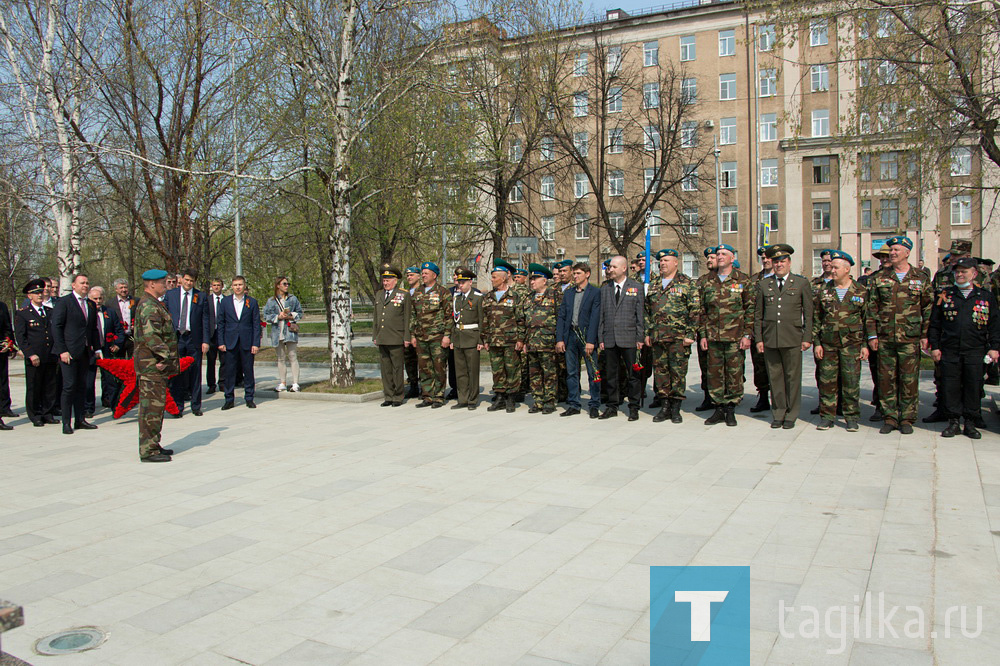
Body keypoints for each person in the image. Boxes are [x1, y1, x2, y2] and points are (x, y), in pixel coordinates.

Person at [929, 257, 1000, 439]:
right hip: (950, 349)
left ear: (974, 274)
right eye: (957, 271)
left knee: (973, 386)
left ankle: (970, 421)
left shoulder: (985, 296)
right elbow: (935, 323)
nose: (960, 275)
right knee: (950, 386)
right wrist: (935, 346)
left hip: (975, 349)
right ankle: (953, 422)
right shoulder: (945, 295)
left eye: (964, 271)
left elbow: (994, 325)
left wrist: (994, 347)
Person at [868, 236, 932, 434]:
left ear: (907, 252)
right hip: (885, 337)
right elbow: (871, 308)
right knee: (886, 379)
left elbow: (928, 308)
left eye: (896, 250)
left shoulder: (920, 278)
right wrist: (872, 335)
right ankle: (890, 417)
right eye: (891, 250)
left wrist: (925, 335)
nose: (892, 253)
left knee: (909, 379)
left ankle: (907, 418)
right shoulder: (879, 278)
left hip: (910, 338)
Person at [924, 239, 989, 424]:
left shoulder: (982, 276)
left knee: (973, 380)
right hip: (948, 335)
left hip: (974, 337)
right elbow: (934, 304)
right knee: (943, 377)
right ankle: (945, 410)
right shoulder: (943, 274)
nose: (952, 259)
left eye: (957, 255)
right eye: (951, 255)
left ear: (967, 256)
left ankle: (973, 415)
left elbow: (987, 306)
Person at [753, 244, 813, 429]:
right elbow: (758, 315)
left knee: (792, 378)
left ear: (789, 262)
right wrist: (759, 339)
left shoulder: (801, 283)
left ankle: (791, 413)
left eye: (782, 261)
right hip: (771, 338)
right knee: (775, 377)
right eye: (776, 261)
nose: (779, 265)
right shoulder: (764, 284)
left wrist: (807, 337)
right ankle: (778, 412)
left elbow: (809, 313)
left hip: (792, 337)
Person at [812, 251, 870, 431]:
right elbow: (816, 318)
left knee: (851, 382)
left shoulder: (860, 291)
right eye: (831, 266)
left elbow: (868, 319)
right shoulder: (824, 290)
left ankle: (851, 417)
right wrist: (817, 343)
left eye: (836, 267)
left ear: (847, 269)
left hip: (851, 345)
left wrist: (865, 345)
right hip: (828, 344)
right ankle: (827, 416)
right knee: (827, 382)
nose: (832, 270)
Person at [699, 245, 753, 426]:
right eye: (718, 254)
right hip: (713, 336)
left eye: (724, 254)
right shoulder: (707, 281)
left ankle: (730, 409)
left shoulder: (743, 280)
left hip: (735, 337)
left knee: (734, 374)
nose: (720, 257)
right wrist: (703, 335)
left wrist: (747, 335)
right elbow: (702, 311)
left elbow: (750, 309)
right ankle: (718, 409)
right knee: (714, 374)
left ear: (732, 258)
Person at [645, 249, 699, 424]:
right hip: (658, 338)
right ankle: (664, 406)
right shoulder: (654, 284)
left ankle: (676, 408)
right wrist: (648, 332)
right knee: (660, 373)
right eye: (661, 261)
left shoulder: (687, 283)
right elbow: (646, 311)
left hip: (678, 338)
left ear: (676, 262)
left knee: (677, 373)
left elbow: (695, 311)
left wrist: (690, 334)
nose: (662, 264)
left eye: (666, 260)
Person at [133, 269, 179, 462]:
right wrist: (164, 358)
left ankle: (153, 443)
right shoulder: (149, 307)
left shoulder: (153, 304)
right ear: (152, 284)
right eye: (163, 282)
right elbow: (153, 337)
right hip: (152, 366)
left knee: (156, 408)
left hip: (154, 366)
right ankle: (148, 451)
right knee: (151, 409)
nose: (166, 285)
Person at [51, 274, 101, 434]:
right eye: (82, 283)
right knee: (69, 386)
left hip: (85, 352)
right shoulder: (64, 302)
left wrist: (97, 348)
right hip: (69, 352)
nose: (85, 285)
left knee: (82, 386)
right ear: (73, 285)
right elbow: (56, 327)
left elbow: (93, 329)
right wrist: (62, 350)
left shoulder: (91, 305)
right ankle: (66, 422)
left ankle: (80, 419)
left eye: (87, 283)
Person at [597, 255, 644, 421]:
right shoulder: (605, 289)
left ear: (624, 268)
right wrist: (600, 337)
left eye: (614, 267)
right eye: (609, 267)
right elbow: (601, 315)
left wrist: (640, 337)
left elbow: (640, 315)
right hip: (610, 338)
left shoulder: (636, 287)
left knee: (633, 375)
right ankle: (612, 406)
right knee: (611, 374)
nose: (610, 270)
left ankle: (633, 407)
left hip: (629, 338)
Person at [557, 262, 601, 418]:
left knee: (592, 371)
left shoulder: (595, 293)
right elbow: (562, 316)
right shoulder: (568, 293)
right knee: (571, 372)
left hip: (586, 337)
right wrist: (560, 339)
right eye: (574, 274)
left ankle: (594, 403)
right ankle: (574, 403)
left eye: (578, 273)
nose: (575, 276)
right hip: (570, 336)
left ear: (587, 274)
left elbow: (595, 318)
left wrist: (591, 341)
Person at [165, 268, 210, 416]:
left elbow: (205, 320)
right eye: (186, 280)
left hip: (193, 339)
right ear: (181, 280)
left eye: (191, 281)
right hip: (176, 338)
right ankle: (177, 406)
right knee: (176, 373)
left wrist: (205, 341)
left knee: (195, 372)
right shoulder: (170, 295)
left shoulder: (201, 296)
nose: (189, 283)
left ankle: (196, 406)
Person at [14, 279, 59, 427]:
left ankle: (48, 412)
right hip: (35, 356)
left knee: (50, 385)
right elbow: (21, 337)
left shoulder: (50, 312)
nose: (39, 295)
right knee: (35, 386)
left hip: (50, 354)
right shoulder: (23, 314)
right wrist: (30, 354)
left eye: (40, 292)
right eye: (35, 293)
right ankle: (35, 414)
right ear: (29, 296)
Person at [482, 259, 523, 413]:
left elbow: (521, 319)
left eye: (494, 277)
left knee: (511, 369)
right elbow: (484, 319)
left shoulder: (514, 296)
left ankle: (511, 398)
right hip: (493, 339)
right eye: (491, 277)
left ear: (504, 278)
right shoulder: (488, 297)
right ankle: (499, 396)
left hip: (510, 340)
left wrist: (520, 339)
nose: (492, 280)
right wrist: (485, 339)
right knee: (497, 369)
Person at [410, 261, 452, 408]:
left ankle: (439, 396)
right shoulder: (417, 292)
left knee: (438, 366)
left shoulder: (443, 292)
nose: (423, 275)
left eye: (426, 273)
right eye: (422, 273)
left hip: (437, 337)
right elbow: (413, 315)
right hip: (421, 336)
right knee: (424, 367)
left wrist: (447, 335)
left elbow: (449, 316)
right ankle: (427, 396)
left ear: (434, 275)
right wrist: (413, 335)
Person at [521, 263, 561, 414]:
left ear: (544, 280)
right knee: (534, 373)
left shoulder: (555, 295)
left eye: (535, 279)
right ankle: (537, 401)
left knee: (549, 372)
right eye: (531, 279)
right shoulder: (529, 298)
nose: (532, 282)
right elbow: (524, 321)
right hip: (532, 342)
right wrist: (524, 341)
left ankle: (549, 401)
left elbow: (561, 318)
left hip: (548, 342)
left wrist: (559, 340)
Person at [217, 275, 261, 409]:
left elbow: (256, 324)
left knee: (248, 371)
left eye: (240, 285)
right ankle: (229, 399)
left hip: (247, 342)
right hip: (230, 342)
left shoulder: (251, 302)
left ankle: (249, 398)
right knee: (229, 372)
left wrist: (255, 343)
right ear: (231, 286)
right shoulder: (225, 302)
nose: (238, 287)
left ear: (244, 286)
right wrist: (221, 342)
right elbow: (221, 323)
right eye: (235, 285)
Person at [373, 265, 411, 406]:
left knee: (397, 369)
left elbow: (407, 318)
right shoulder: (379, 294)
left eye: (388, 279)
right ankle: (388, 395)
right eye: (384, 279)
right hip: (382, 337)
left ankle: (398, 396)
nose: (385, 282)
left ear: (395, 280)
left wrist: (407, 337)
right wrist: (375, 335)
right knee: (385, 369)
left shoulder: (403, 294)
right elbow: (376, 317)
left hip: (396, 337)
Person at [84, 286, 125, 416]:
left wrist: (117, 343)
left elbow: (119, 330)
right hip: (90, 351)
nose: (98, 301)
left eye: (100, 298)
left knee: (110, 381)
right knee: (89, 382)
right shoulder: (84, 312)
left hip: (106, 350)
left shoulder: (110, 312)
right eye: (95, 298)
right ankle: (88, 408)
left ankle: (114, 406)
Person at [450, 267, 484, 409]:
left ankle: (472, 399)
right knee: (460, 371)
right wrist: (452, 339)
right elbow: (454, 320)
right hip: (458, 337)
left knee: (472, 370)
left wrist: (480, 340)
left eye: (463, 282)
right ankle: (462, 399)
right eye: (459, 282)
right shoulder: (456, 298)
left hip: (471, 337)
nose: (460, 285)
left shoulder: (477, 298)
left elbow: (482, 320)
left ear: (470, 282)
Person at [263, 276, 304, 393]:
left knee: (292, 356)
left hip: (290, 332)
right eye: (284, 284)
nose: (286, 286)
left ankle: (295, 383)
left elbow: (300, 313)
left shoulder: (292, 299)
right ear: (278, 285)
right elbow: (266, 316)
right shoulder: (271, 301)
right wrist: (277, 317)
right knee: (280, 358)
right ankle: (283, 383)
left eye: (287, 284)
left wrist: (291, 315)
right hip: (277, 332)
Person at [748, 247, 774, 413]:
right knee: (759, 366)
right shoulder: (754, 280)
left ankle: (780, 400)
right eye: (763, 258)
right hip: (758, 331)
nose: (765, 261)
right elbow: (749, 306)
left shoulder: (784, 279)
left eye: (768, 258)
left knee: (777, 367)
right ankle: (763, 397)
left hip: (776, 330)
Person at [694, 247, 718, 411]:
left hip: (727, 333)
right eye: (708, 258)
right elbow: (697, 308)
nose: (709, 260)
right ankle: (708, 397)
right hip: (705, 332)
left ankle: (725, 401)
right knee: (705, 366)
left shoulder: (734, 279)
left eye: (713, 257)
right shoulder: (702, 281)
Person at [403, 266, 421, 398]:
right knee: (409, 360)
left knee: (423, 361)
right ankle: (413, 385)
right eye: (408, 275)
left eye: (412, 275)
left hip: (422, 332)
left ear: (419, 276)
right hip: (408, 332)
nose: (409, 277)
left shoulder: (423, 291)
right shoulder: (405, 293)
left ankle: (426, 387)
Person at [205, 278, 225, 395]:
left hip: (223, 334)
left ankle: (222, 383)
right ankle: (211, 384)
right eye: (214, 285)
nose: (216, 287)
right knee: (210, 361)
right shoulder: (207, 300)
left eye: (218, 285)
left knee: (224, 360)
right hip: (211, 334)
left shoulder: (227, 300)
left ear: (222, 286)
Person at [0, 296, 18, 426]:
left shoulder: (2, 306)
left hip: (1, 349)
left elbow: (7, 326)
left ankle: (4, 407)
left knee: (3, 380)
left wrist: (9, 343)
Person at [111, 278, 136, 359]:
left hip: (132, 337)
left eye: (125, 287)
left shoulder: (136, 301)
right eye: (121, 288)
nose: (124, 290)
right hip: (118, 338)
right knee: (119, 362)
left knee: (133, 362)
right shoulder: (110, 303)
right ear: (116, 289)